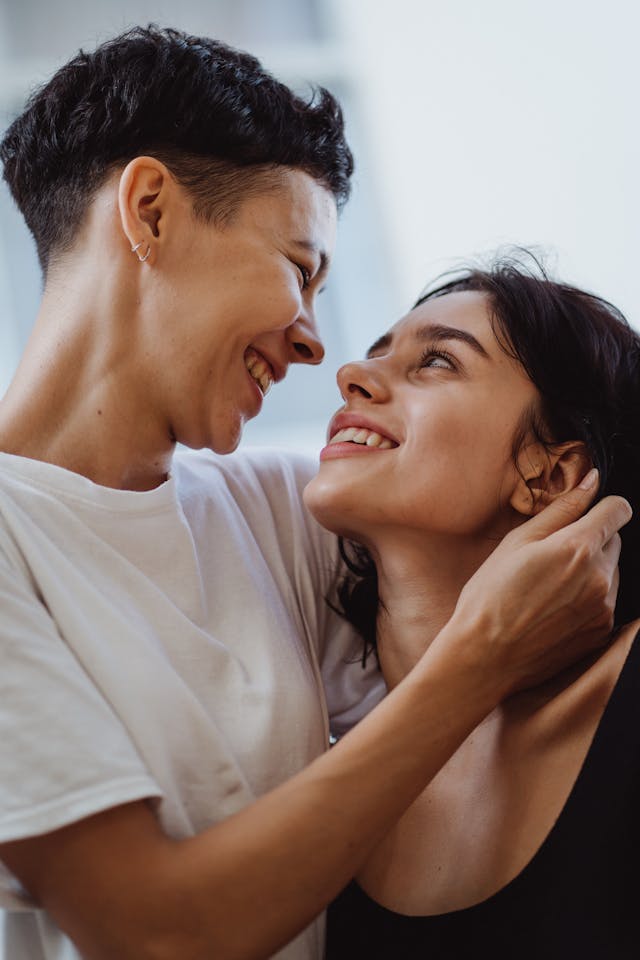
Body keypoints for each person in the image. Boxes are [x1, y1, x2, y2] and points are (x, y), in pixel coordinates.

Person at [0, 25, 628, 960]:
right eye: (300, 270)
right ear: (150, 211)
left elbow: (480, 530)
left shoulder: (281, 512)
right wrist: (477, 660)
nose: (315, 348)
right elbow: (155, 935)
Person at [304, 257, 640, 959]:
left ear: (550, 476)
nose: (351, 377)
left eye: (435, 362)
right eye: (374, 355)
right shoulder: (314, 778)